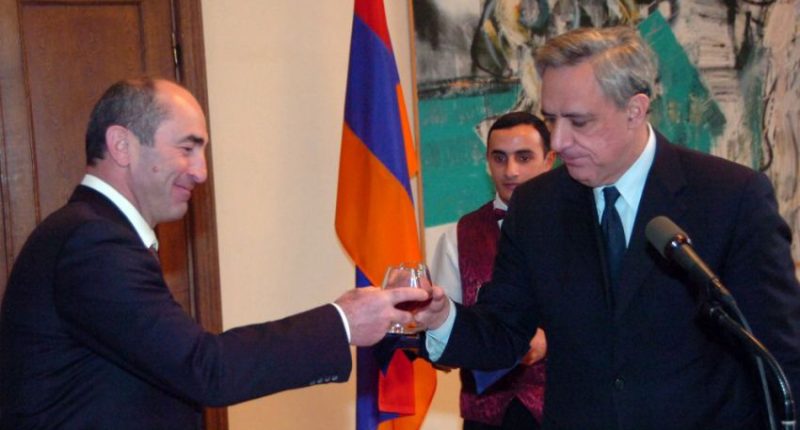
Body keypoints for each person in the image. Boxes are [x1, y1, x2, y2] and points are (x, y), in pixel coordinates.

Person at [415, 26, 800, 429]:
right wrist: (441, 319)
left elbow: (778, 355)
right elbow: (504, 330)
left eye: (579, 122)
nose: (558, 142)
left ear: (635, 110)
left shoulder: (730, 196)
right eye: (551, 119)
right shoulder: (535, 206)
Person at [0, 77, 429, 429]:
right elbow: (206, 369)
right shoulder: (93, 243)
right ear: (122, 145)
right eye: (186, 149)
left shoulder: (92, 232)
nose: (201, 171)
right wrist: (343, 321)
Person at [431, 111, 554, 429]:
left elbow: (615, 324)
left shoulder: (585, 227)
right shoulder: (457, 237)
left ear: (549, 160)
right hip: (486, 419)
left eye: (524, 157)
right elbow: (445, 336)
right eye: (499, 158)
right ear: (487, 162)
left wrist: (552, 340)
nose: (511, 170)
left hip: (568, 411)